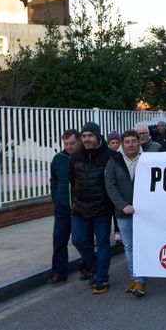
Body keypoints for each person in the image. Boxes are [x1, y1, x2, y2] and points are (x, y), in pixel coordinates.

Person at [69, 122, 115, 295]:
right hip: (79, 208)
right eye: (84, 136)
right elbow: (72, 180)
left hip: (101, 208)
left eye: (90, 136)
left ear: (97, 136)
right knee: (78, 239)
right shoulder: (75, 157)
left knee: (102, 243)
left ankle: (101, 278)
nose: (87, 139)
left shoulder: (109, 156)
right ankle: (96, 267)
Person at [104, 130, 146, 297]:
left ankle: (139, 279)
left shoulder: (148, 159)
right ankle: (136, 278)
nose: (130, 144)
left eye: (133, 141)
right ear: (122, 144)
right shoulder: (114, 162)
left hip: (145, 213)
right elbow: (110, 186)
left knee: (143, 245)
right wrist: (123, 205)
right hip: (124, 212)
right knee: (129, 246)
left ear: (139, 142)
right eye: (127, 141)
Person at [48, 129, 88, 284]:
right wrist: (56, 197)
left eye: (72, 143)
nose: (69, 147)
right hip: (62, 206)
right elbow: (54, 180)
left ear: (79, 141)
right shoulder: (58, 159)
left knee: (82, 238)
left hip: (81, 205)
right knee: (59, 237)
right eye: (66, 144)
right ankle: (59, 271)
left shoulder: (85, 156)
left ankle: (86, 267)